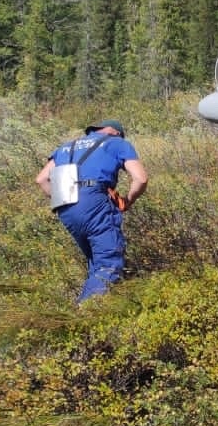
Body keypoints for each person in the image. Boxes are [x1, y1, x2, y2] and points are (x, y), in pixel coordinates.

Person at [36, 119, 148, 302]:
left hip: (65, 204)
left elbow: (41, 179)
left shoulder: (65, 147)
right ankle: (85, 314)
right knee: (108, 263)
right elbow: (141, 179)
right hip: (94, 199)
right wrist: (128, 200)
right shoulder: (117, 143)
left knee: (96, 261)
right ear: (116, 132)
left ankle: (105, 308)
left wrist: (65, 200)